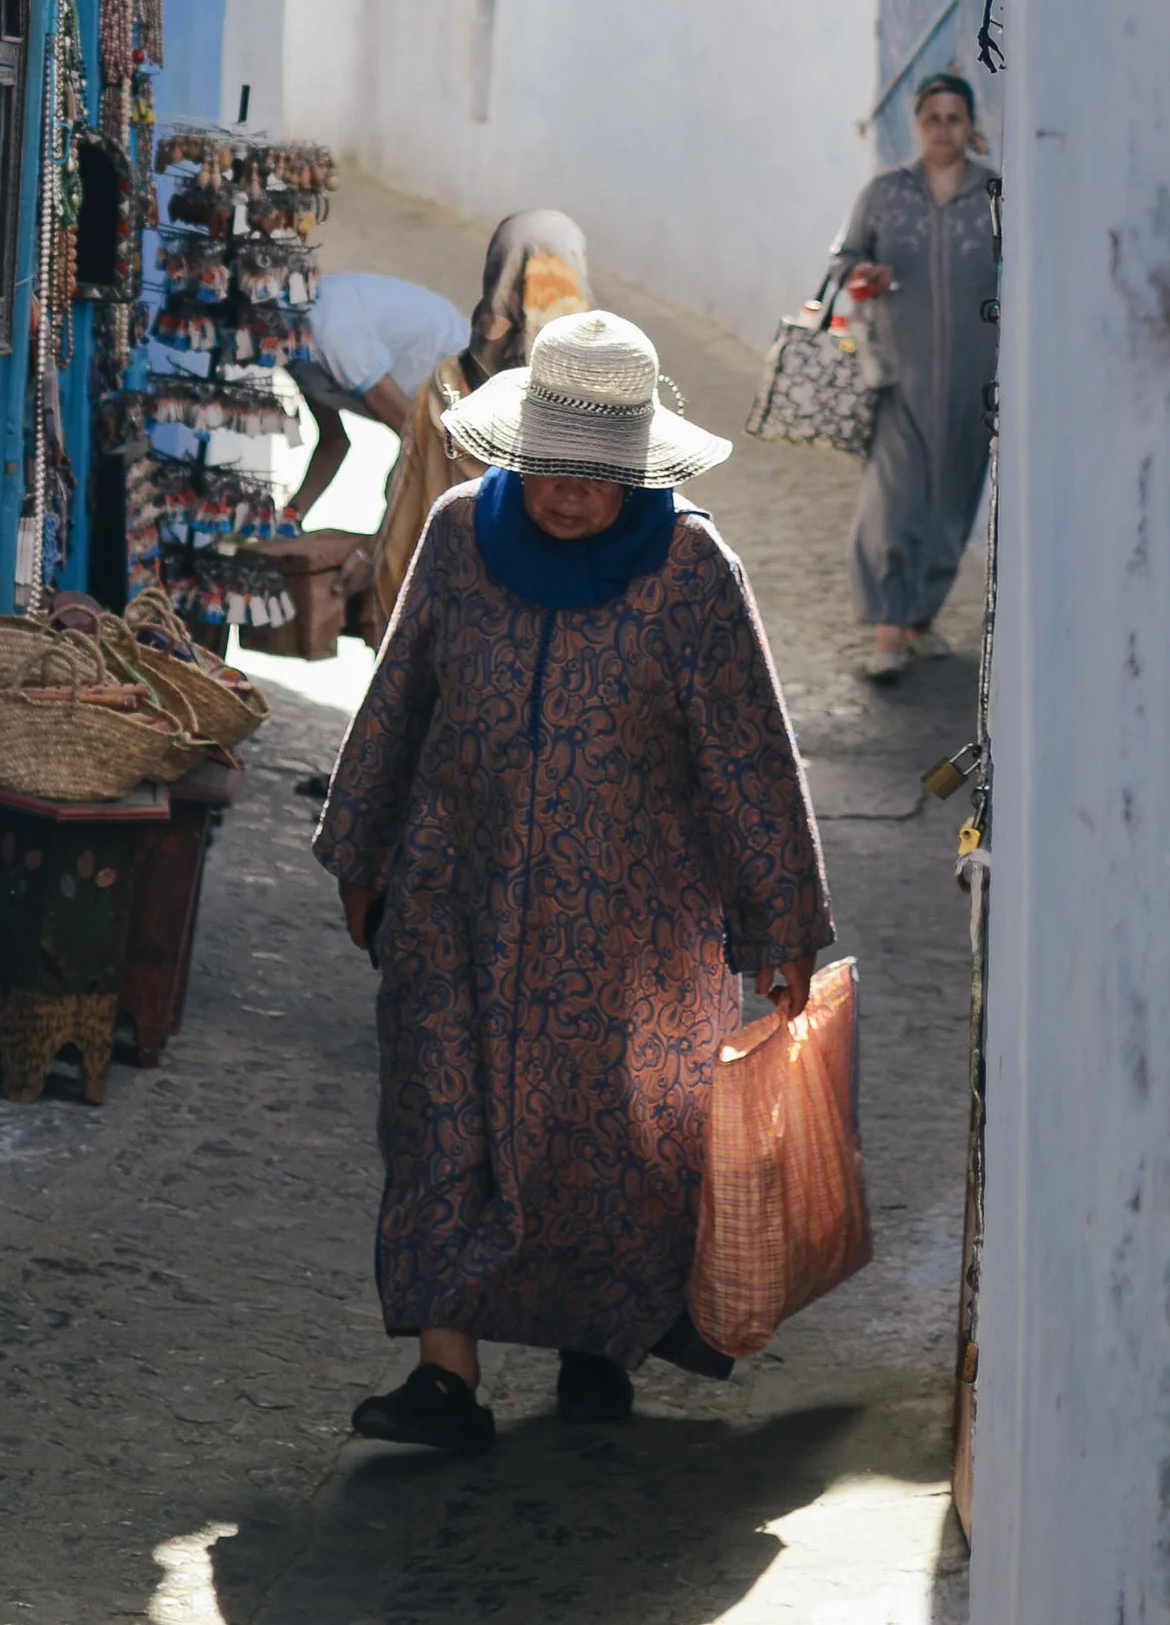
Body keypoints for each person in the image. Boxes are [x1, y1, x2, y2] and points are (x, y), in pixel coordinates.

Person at [315, 308, 832, 1455]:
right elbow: (399, 695)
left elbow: (748, 753)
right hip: (454, 894)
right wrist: (362, 851)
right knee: (440, 1122)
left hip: (632, 932)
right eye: (551, 464)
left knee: (613, 1139)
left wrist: (780, 925)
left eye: (596, 473)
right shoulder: (458, 535)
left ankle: (598, 1337)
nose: (566, 493)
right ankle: (445, 1374)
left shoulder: (692, 570)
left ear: (638, 466)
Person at [835, 71, 1001, 683]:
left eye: (954, 118)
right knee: (894, 499)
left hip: (973, 377)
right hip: (897, 373)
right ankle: (887, 629)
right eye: (932, 118)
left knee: (953, 499)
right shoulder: (885, 194)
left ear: (970, 125)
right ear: (917, 124)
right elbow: (845, 259)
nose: (943, 129)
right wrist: (863, 276)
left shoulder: (997, 194)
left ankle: (921, 619)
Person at [370, 209, 592, 618]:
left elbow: (409, 499)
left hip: (463, 614)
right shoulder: (612, 386)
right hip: (577, 620)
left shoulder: (448, 385)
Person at [289, 270, 464, 522]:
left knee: (403, 496)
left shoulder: (328, 333)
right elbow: (334, 443)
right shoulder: (296, 354)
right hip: (430, 409)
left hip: (464, 394)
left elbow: (418, 436)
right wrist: (288, 521)